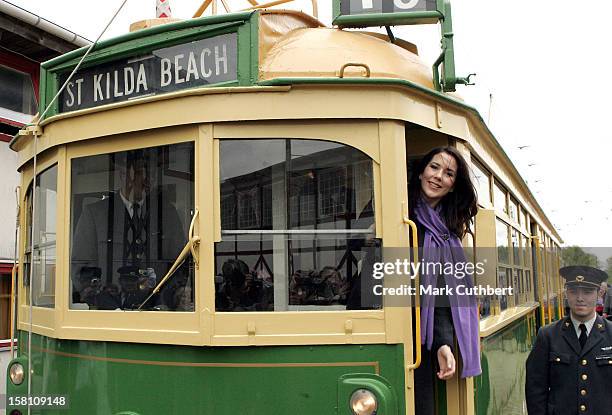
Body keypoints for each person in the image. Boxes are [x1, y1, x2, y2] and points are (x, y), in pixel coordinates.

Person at [408, 147, 481, 415]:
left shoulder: (447, 233)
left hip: (420, 337)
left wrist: (443, 343)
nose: (438, 176)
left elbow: (441, 292)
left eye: (448, 173)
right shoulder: (396, 209)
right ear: (421, 172)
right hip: (382, 321)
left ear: (452, 186)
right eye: (434, 167)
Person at [71, 149, 188, 310]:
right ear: (123, 175)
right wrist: (109, 307)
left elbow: (179, 266)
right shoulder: (95, 214)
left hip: (158, 315)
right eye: (140, 172)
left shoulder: (167, 214)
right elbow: (81, 271)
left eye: (151, 174)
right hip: (108, 317)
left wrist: (162, 303)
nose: (147, 179)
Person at [526, 265, 612, 415]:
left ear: (599, 293)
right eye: (573, 292)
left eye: (587, 292)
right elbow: (535, 389)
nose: (580, 298)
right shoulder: (548, 335)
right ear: (566, 293)